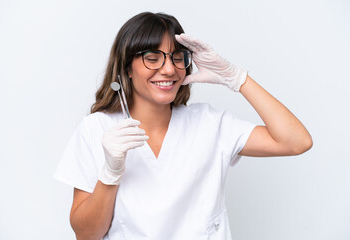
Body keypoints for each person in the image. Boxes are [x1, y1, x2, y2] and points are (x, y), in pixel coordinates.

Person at [53, 11, 312, 240]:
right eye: (152, 58)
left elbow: (296, 141)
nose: (168, 69)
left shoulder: (210, 124)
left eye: (177, 57)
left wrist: (237, 78)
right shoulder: (96, 129)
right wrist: (110, 172)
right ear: (127, 68)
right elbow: (86, 235)